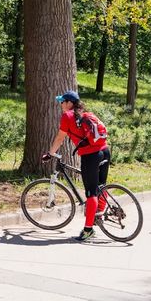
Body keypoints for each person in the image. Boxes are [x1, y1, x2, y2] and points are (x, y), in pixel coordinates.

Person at [43, 90, 110, 241]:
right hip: (104, 150)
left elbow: (60, 138)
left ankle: (88, 230)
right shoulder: (87, 113)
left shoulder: (67, 116)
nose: (60, 104)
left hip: (91, 155)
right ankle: (99, 213)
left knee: (91, 192)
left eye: (62, 101)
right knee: (101, 185)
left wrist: (50, 153)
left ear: (69, 103)